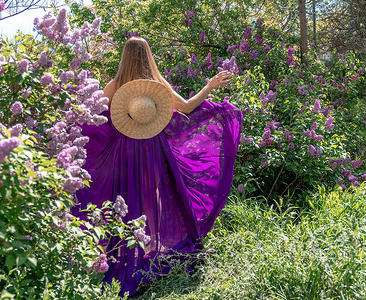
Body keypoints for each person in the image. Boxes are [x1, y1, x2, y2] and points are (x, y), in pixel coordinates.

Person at [71, 36, 242, 296]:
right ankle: (150, 251)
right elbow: (186, 107)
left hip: (123, 153)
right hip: (153, 150)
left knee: (126, 200)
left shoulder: (115, 85)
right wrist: (208, 87)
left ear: (124, 57)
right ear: (147, 56)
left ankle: (125, 256)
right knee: (153, 201)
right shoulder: (156, 85)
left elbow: (94, 116)